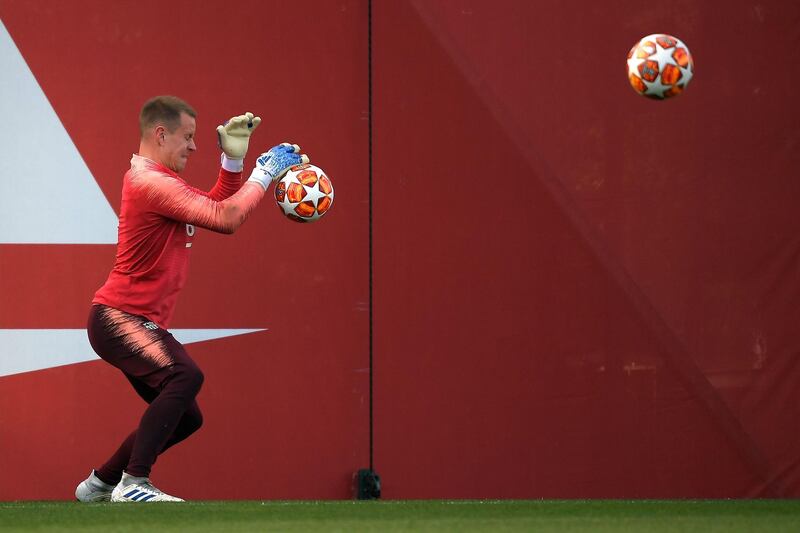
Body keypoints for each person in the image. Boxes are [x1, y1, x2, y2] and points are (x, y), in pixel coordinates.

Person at [74, 95, 308, 502]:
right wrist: (265, 172)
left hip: (129, 320)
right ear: (160, 134)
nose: (195, 146)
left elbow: (216, 205)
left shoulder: (160, 180)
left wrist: (233, 164)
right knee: (185, 377)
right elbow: (227, 218)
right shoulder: (150, 182)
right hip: (119, 318)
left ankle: (100, 484)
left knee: (185, 417)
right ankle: (134, 484)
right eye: (188, 137)